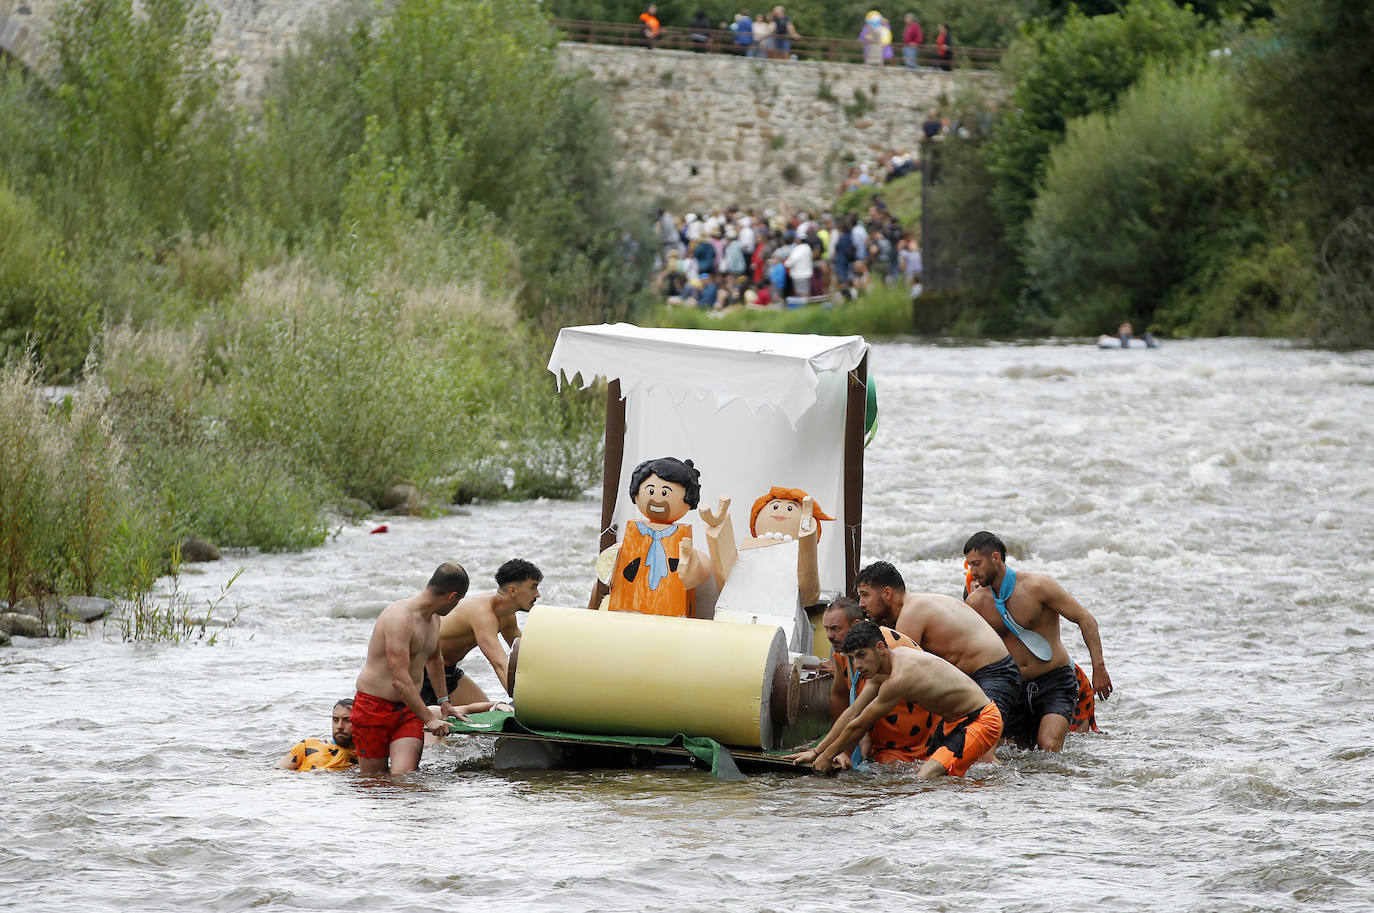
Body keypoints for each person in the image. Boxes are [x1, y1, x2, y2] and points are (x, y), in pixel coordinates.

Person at [789, 621, 1002, 778]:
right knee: (927, 776)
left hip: (982, 719)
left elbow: (861, 725)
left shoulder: (899, 677)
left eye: (862, 656)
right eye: (853, 659)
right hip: (951, 724)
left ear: (881, 648)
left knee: (924, 779)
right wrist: (817, 751)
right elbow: (854, 713)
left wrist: (827, 757)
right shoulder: (882, 672)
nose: (858, 665)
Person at [963, 531, 1112, 752]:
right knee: (1012, 755)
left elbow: (1085, 619)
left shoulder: (1038, 586)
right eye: (969, 565)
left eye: (976, 564)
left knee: (1048, 747)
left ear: (995, 558)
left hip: (1055, 681)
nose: (972, 572)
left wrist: (1098, 667)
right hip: (1013, 688)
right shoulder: (975, 603)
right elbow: (963, 648)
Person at [854, 560, 1023, 737]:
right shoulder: (914, 604)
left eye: (865, 595)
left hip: (995, 674)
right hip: (974, 678)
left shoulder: (911, 613)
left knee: (981, 754)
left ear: (887, 593)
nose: (861, 604)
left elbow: (891, 673)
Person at [349, 562, 469, 774]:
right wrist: (429, 718)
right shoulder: (399, 618)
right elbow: (399, 678)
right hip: (373, 707)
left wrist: (444, 702)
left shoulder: (434, 619)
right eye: (459, 599)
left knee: (405, 779)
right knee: (375, 783)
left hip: (409, 709)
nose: (457, 605)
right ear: (452, 596)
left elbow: (434, 659)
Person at [821, 598, 936, 765]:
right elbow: (840, 696)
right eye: (826, 629)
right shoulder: (842, 650)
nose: (829, 636)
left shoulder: (882, 648)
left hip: (923, 740)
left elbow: (858, 713)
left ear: (856, 625)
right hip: (884, 746)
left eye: (835, 629)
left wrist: (828, 752)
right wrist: (840, 751)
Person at [424, 558, 543, 704]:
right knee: (487, 714)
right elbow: (500, 664)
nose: (537, 594)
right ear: (513, 590)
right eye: (533, 587)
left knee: (487, 711)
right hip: (421, 671)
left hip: (449, 673)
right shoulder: (482, 613)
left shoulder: (507, 616)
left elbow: (526, 655)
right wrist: (524, 704)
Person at [277, 698, 357, 771]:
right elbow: (277, 773)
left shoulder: (365, 758)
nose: (339, 726)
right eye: (335, 720)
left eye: (347, 720)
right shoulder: (307, 746)